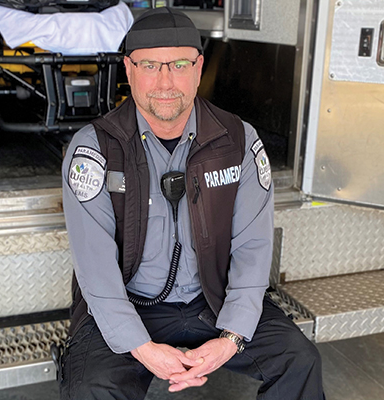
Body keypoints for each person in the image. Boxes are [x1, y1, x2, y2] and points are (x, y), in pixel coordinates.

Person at [60, 7, 324, 399]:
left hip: (214, 302)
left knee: (299, 361)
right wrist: (141, 347)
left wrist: (231, 338)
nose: (165, 82)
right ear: (129, 70)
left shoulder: (238, 141)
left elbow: (253, 249)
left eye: (179, 64)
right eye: (150, 65)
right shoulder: (95, 148)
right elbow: (94, 266)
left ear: (199, 68)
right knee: (91, 387)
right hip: (131, 305)